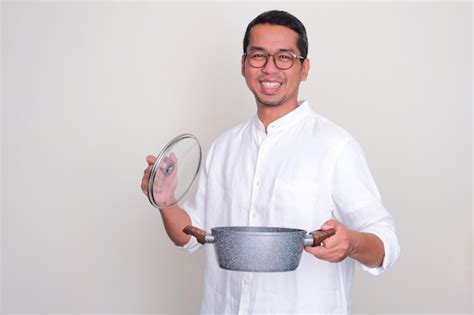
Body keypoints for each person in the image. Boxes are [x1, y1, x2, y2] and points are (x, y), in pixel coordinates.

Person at [141, 10, 400, 314]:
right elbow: (191, 235)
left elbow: (386, 243)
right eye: (258, 55)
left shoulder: (335, 145)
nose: (270, 68)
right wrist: (165, 200)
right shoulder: (223, 146)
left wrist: (351, 243)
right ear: (243, 64)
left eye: (285, 57)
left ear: (304, 69)